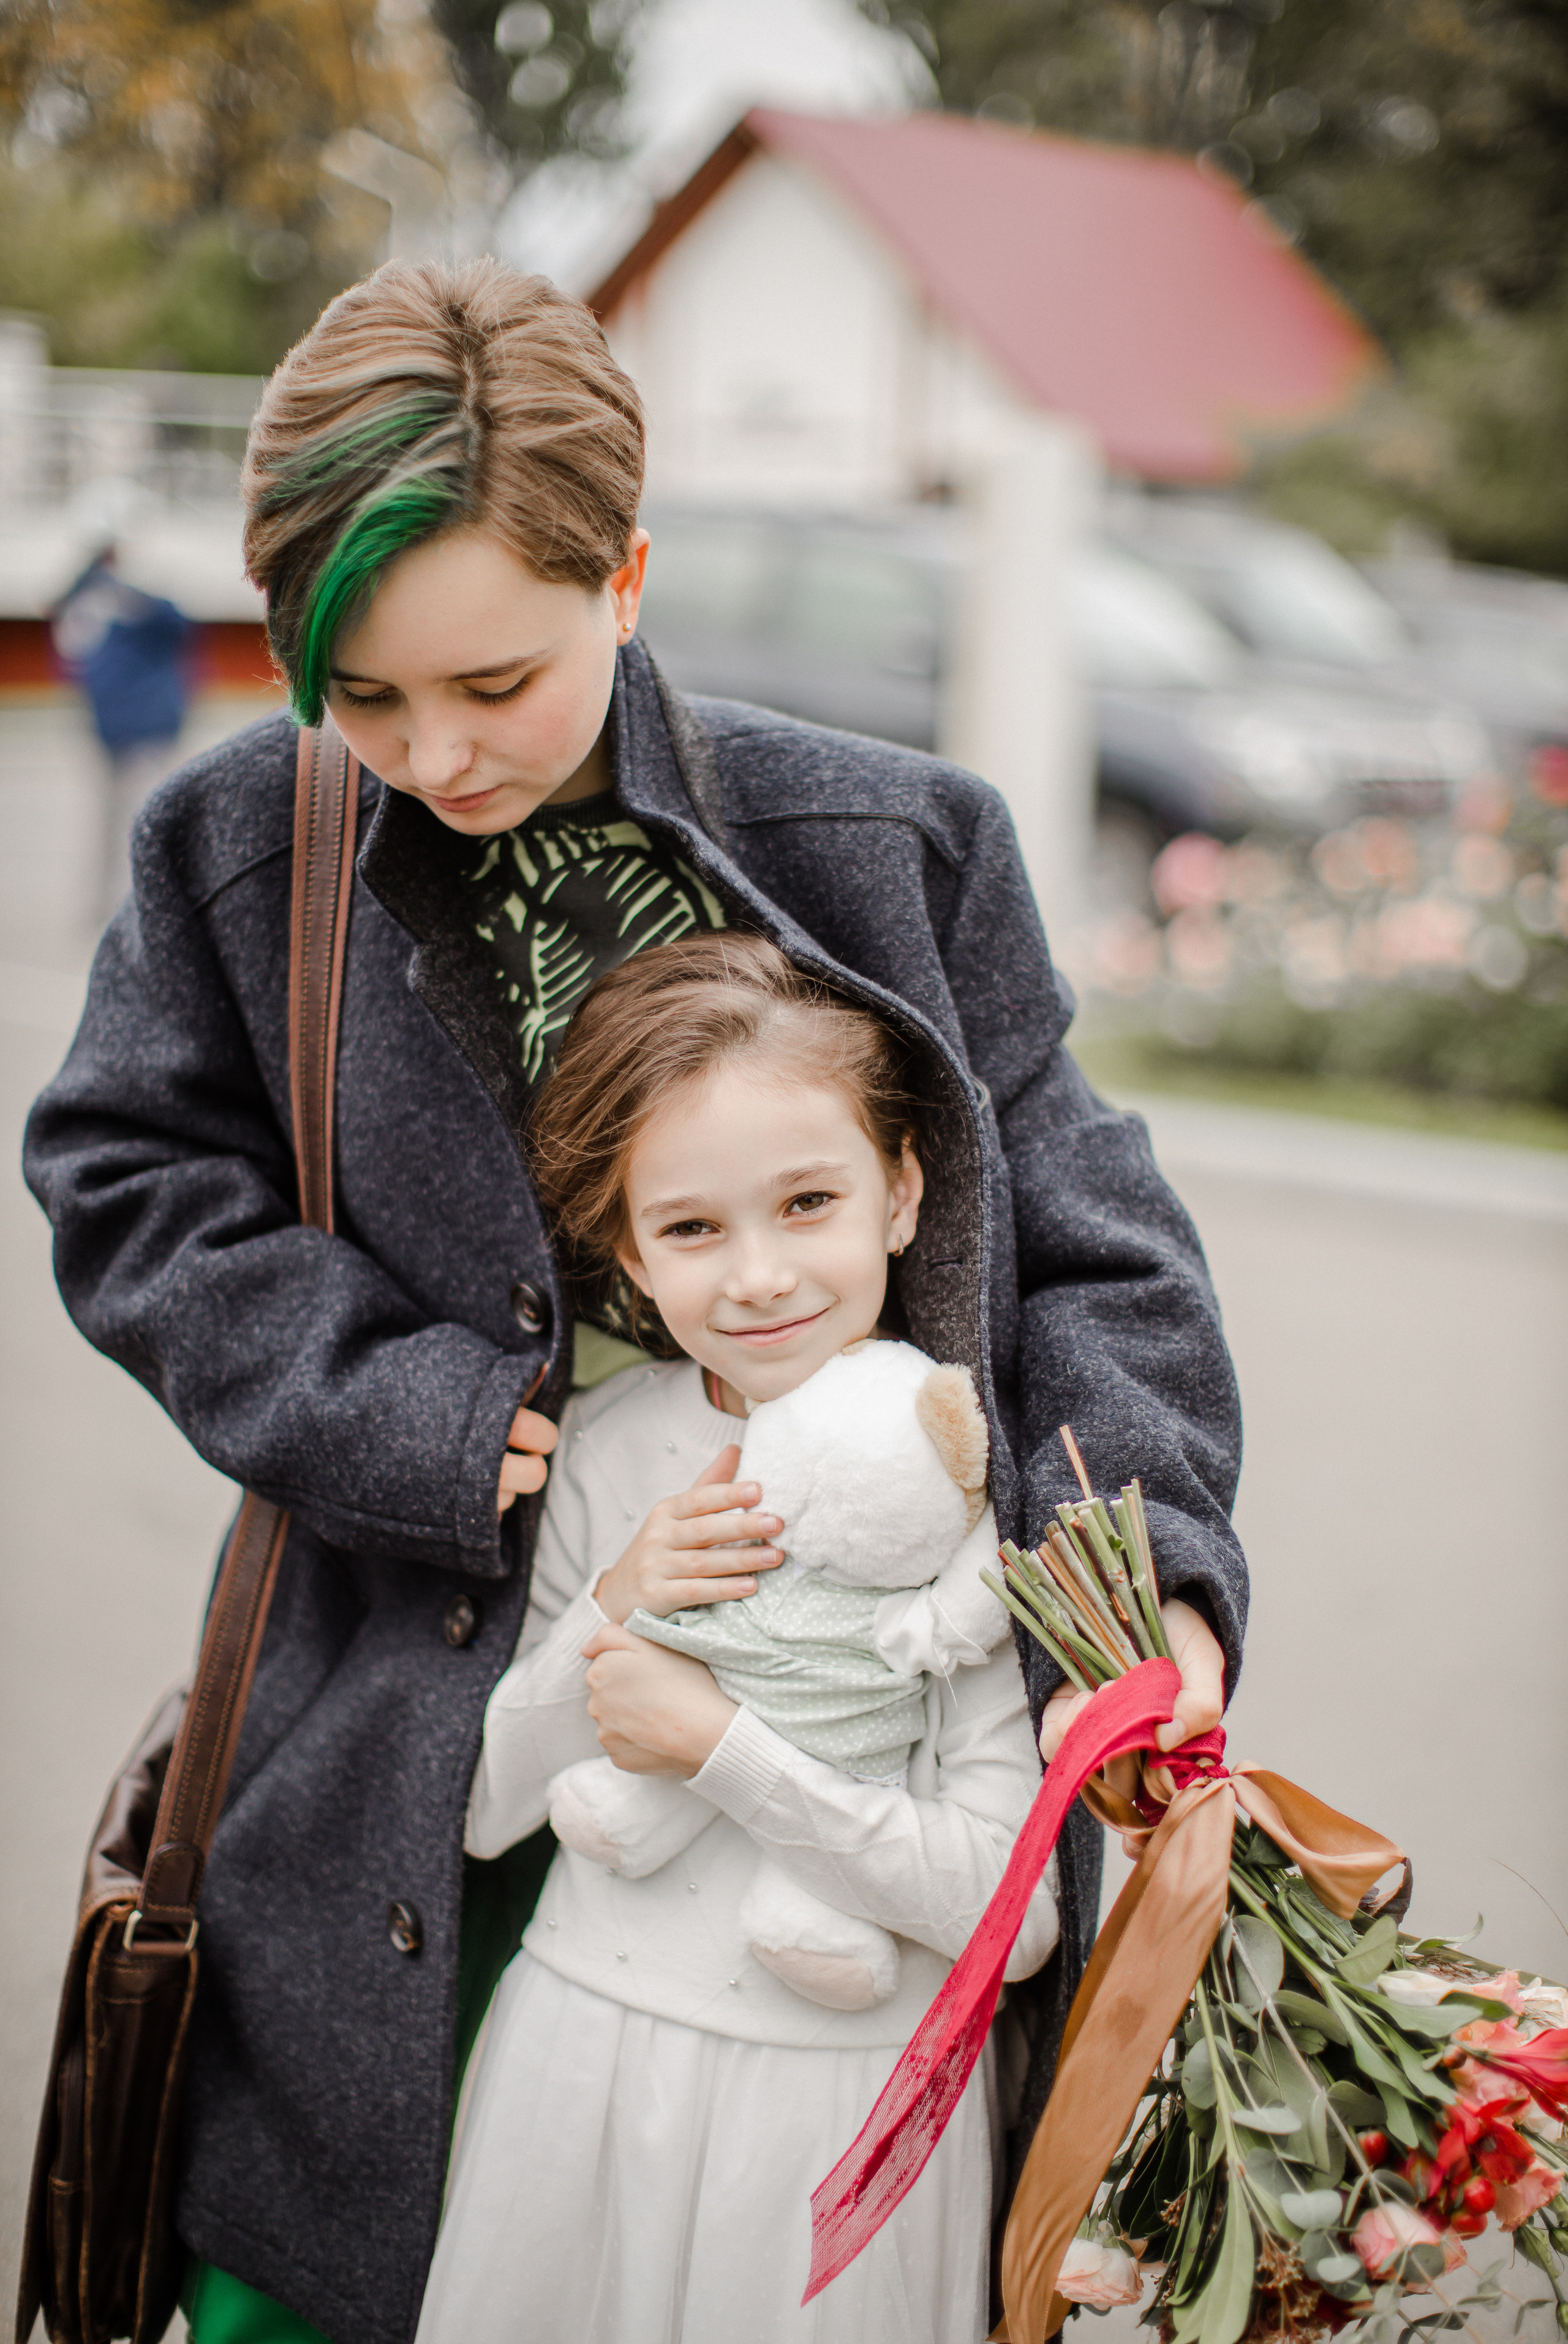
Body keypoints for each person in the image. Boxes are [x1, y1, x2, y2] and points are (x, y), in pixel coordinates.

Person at [23, 256, 1246, 2344]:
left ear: (628, 574)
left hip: (854, 1775)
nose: (431, 753)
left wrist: (1157, 1593)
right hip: (417, 1748)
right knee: (344, 2273)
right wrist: (402, 1409)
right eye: (364, 696)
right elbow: (124, 1177)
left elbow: (1093, 1226)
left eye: (493, 682)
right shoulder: (242, 845)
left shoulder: (893, 843)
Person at [415, 932, 1219, 2343]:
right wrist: (616, 1597)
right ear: (619, 1241)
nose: (758, 1275)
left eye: (806, 1201)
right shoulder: (605, 1447)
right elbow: (482, 1810)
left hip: (837, 2103)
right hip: (580, 2055)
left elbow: (1008, 1919)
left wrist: (724, 1751)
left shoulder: (959, 1473)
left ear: (900, 1192)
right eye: (689, 1227)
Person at [50, 543, 192, 918]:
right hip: (114, 731)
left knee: (143, 819)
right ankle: (116, 904)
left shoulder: (145, 608)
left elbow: (176, 626)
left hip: (143, 732)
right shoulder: (93, 608)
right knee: (114, 821)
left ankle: (144, 903)